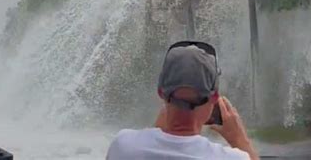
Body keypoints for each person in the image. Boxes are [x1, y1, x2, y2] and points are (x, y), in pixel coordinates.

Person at [106, 41, 259, 160]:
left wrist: (158, 129)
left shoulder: (123, 146)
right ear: (214, 97)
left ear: (161, 92)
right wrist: (240, 139)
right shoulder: (232, 158)